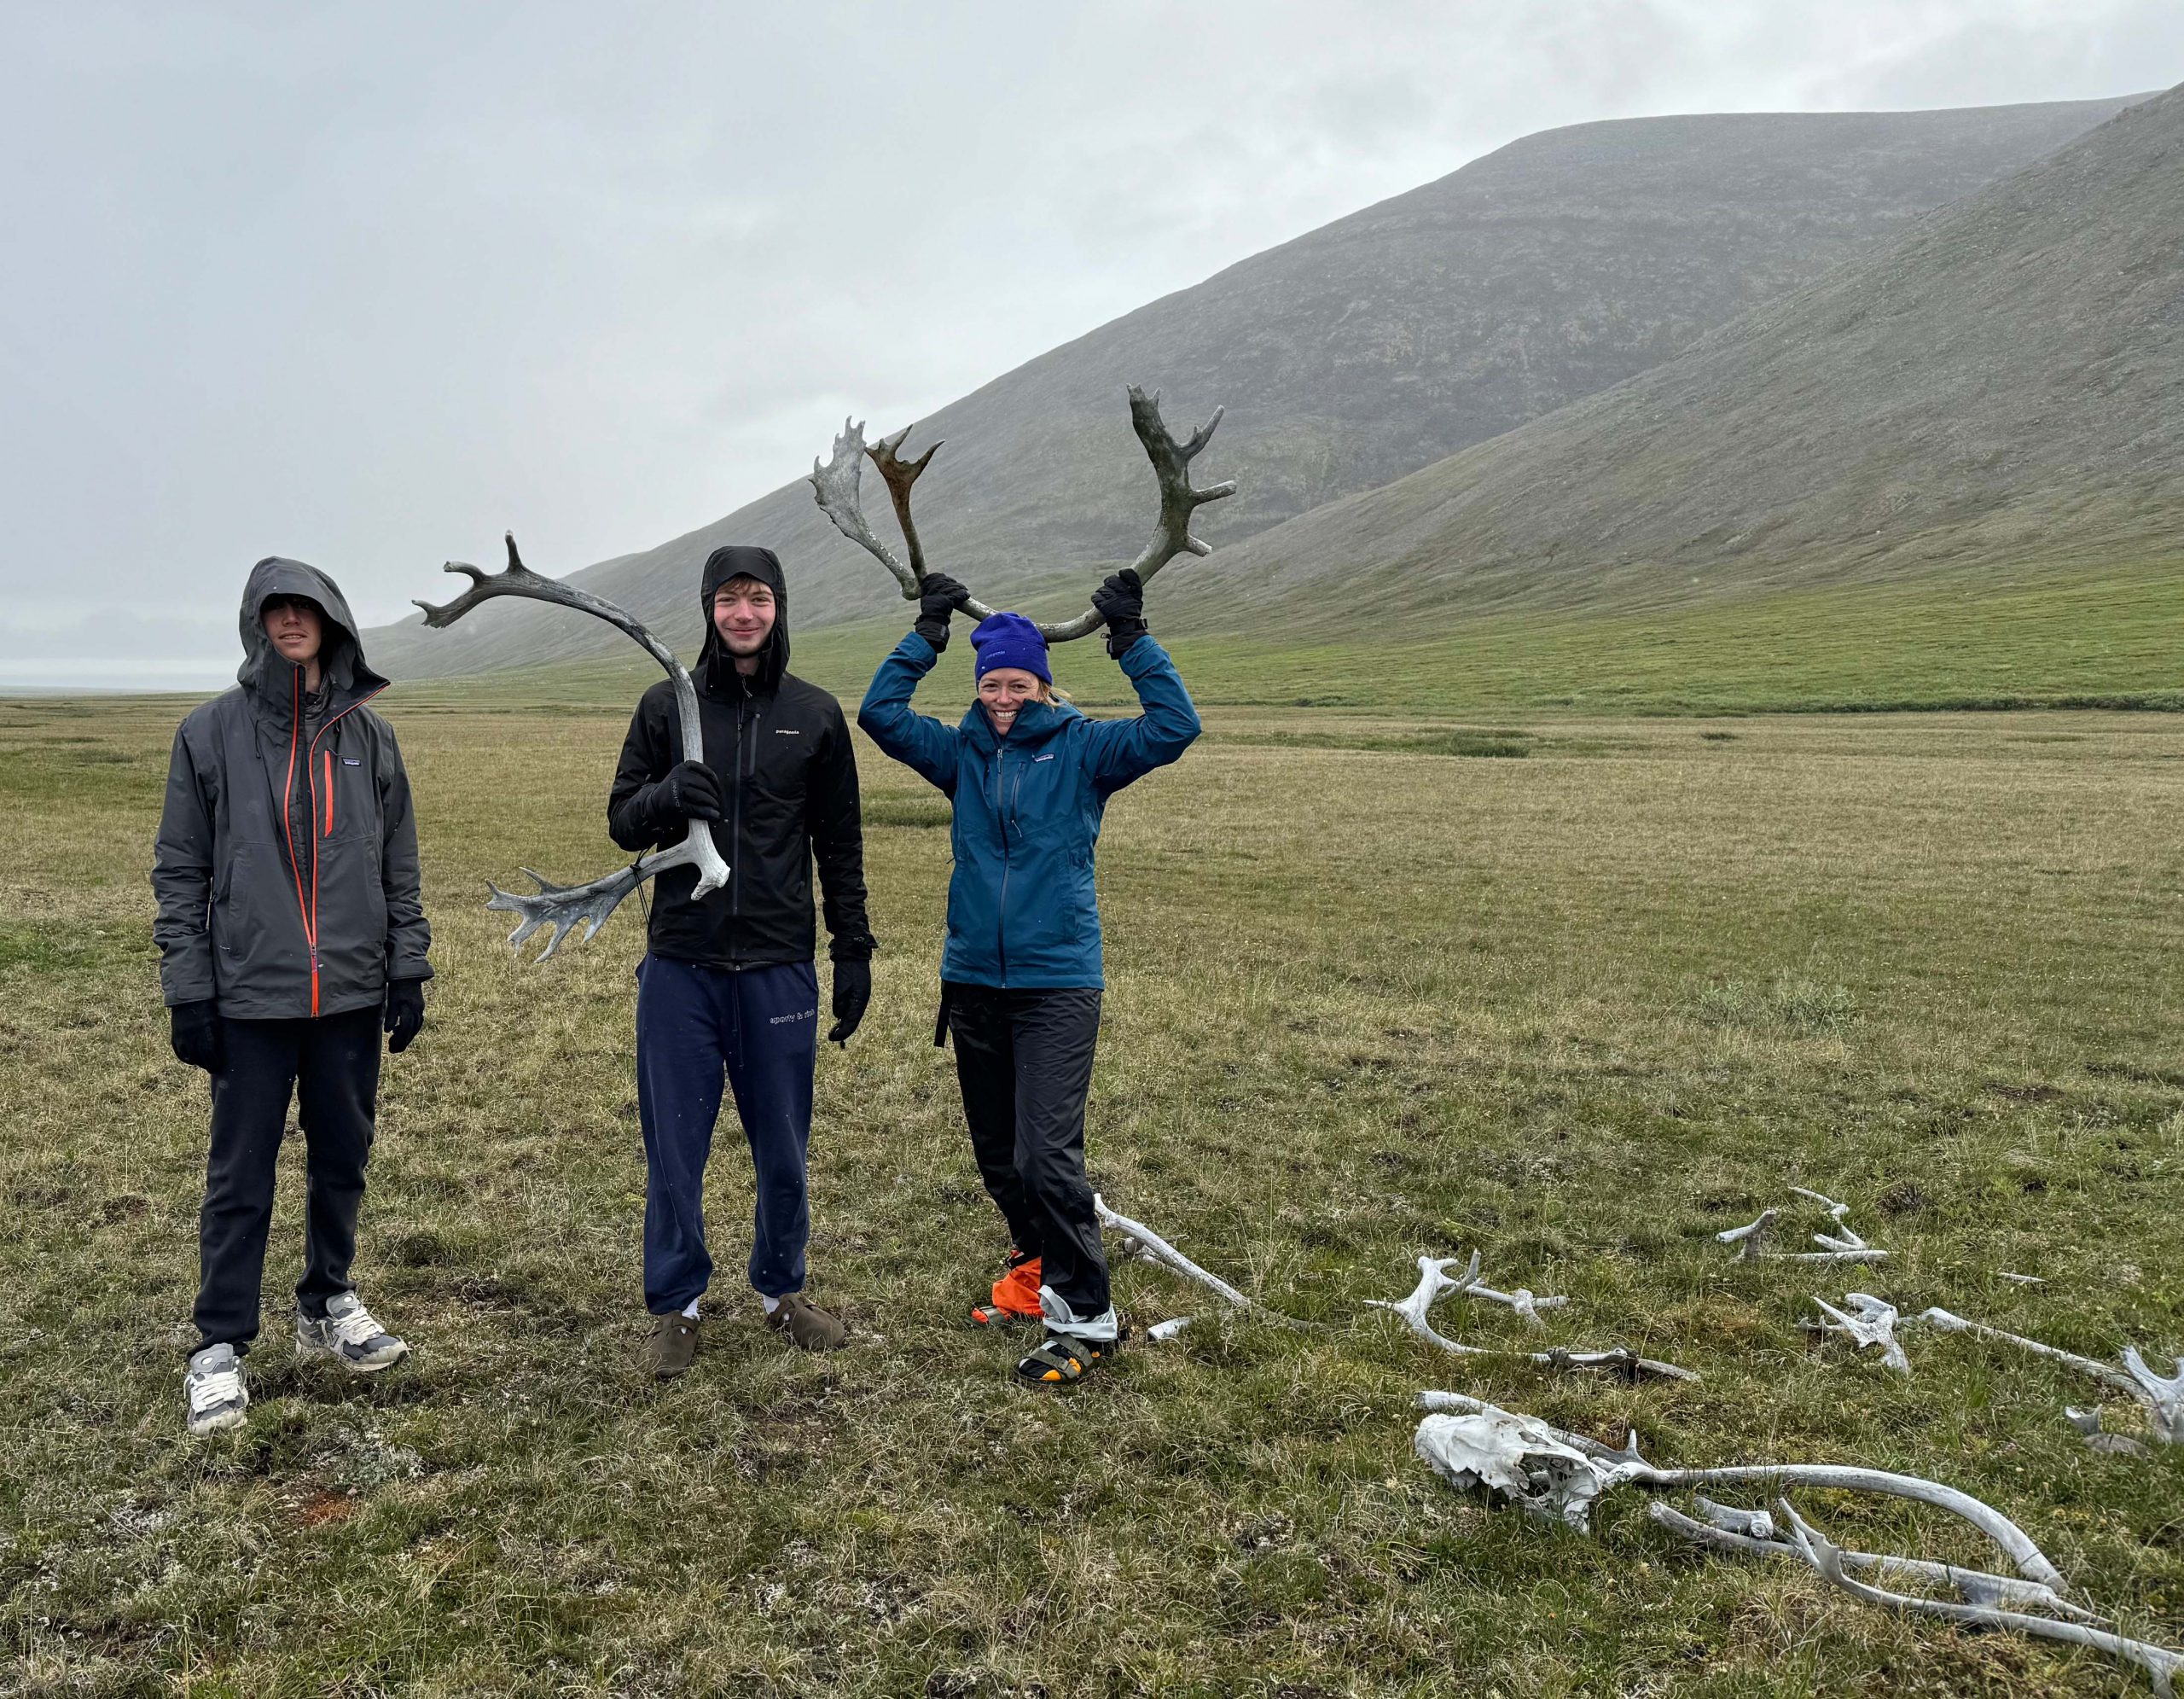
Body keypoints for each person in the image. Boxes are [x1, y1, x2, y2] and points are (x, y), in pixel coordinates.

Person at [857, 567, 1200, 1384]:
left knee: (1048, 1156)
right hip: (973, 978)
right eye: (991, 684)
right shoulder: (962, 752)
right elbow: (879, 713)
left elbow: (1175, 725)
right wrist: (927, 635)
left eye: (1017, 682)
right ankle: (1036, 1271)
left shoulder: (1084, 748)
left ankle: (1087, 1315)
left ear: (1043, 685)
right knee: (1000, 1155)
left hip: (1057, 983)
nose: (1003, 696)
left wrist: (1133, 641)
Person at [152, 559, 432, 1437]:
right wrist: (189, 988)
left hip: (349, 993)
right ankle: (218, 1346)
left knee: (342, 1156)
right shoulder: (209, 734)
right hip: (249, 996)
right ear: (255, 624)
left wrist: (408, 966)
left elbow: (399, 863)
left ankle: (327, 1302)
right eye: (273, 608)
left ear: (333, 621)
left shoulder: (371, 738)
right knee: (240, 1175)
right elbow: (181, 868)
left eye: (304, 606)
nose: (289, 620)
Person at [607, 544, 874, 1377]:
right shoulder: (666, 707)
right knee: (674, 1150)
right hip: (680, 963)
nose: (744, 613)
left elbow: (839, 844)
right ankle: (676, 1306)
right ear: (708, 610)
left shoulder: (816, 714)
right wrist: (665, 798)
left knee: (784, 1146)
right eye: (728, 599)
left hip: (777, 964)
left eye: (758, 596)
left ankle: (780, 1291)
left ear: (779, 605)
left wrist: (852, 948)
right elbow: (622, 819)